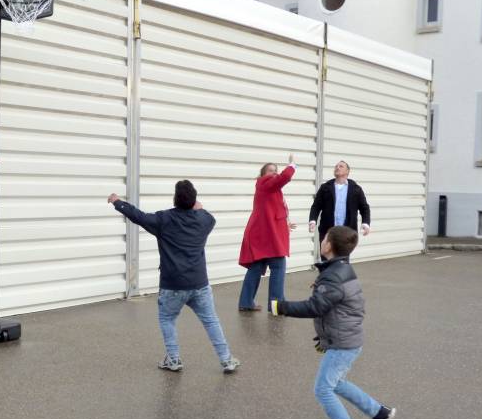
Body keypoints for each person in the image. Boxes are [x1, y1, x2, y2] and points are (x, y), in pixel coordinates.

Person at [268, 226, 395, 419]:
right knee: (336, 383)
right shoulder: (339, 269)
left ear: (328, 246)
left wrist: (281, 307)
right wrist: (325, 338)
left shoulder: (334, 276)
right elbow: (334, 310)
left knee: (323, 388)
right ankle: (378, 412)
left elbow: (316, 307)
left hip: (344, 343)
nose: (322, 240)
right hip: (345, 339)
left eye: (324, 237)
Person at [107, 180, 240, 374]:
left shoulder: (164, 220)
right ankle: (227, 360)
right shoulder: (205, 220)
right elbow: (208, 216)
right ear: (194, 200)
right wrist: (198, 209)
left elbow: (138, 216)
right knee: (211, 320)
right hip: (199, 283)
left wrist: (118, 202)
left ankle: (174, 359)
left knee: (167, 319)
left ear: (175, 199)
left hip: (172, 285)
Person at [238, 153, 297, 311]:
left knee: (256, 268)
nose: (274, 173)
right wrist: (291, 166)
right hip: (267, 236)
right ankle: (276, 305)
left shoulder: (270, 188)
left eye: (275, 170)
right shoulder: (265, 183)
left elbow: (274, 210)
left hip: (262, 235)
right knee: (278, 265)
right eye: (270, 170)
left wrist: (285, 223)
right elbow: (282, 179)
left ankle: (246, 302)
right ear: (263, 174)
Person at [308, 160, 371, 247]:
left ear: (347, 171)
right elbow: (316, 206)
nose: (337, 167)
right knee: (327, 259)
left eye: (341, 166)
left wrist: (365, 223)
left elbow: (364, 208)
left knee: (343, 259)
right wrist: (312, 220)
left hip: (347, 232)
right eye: (336, 166)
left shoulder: (355, 189)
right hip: (328, 231)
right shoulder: (325, 188)